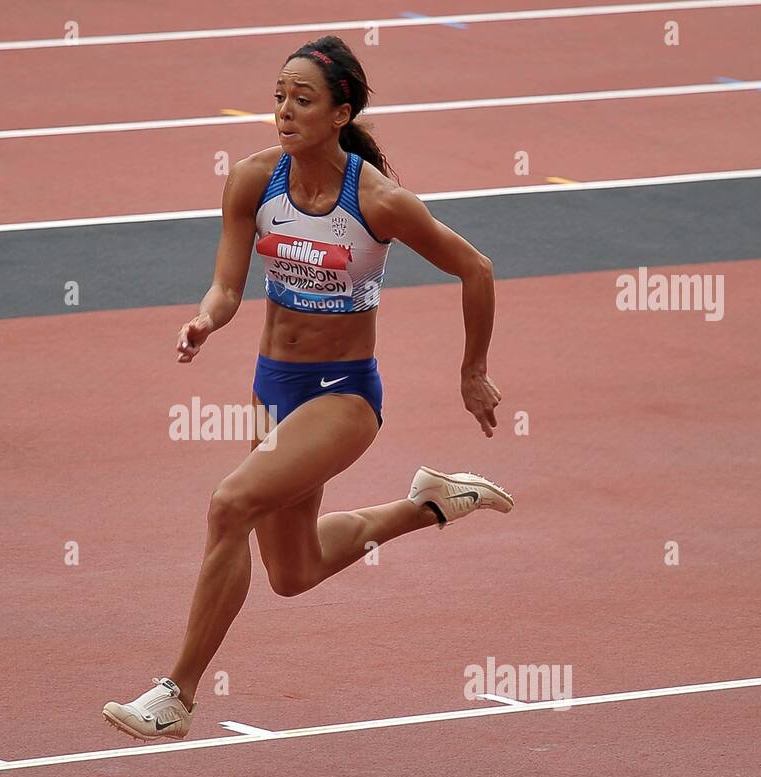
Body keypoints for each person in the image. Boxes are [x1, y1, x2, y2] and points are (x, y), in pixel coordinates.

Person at [103, 35, 513, 741]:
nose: (285, 111)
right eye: (279, 97)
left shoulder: (378, 200)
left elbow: (475, 268)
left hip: (344, 396)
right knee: (292, 572)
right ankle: (431, 504)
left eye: (303, 99)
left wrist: (472, 371)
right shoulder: (251, 181)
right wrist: (208, 317)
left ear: (339, 112)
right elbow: (229, 286)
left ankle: (177, 693)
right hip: (275, 387)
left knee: (230, 504)